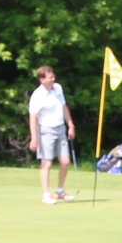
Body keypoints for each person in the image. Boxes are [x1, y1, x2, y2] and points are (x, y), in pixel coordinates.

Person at [26, 65, 77, 204]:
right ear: (42, 80)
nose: (53, 79)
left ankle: (60, 191)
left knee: (65, 162)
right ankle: (46, 194)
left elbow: (63, 107)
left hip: (60, 128)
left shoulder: (58, 88)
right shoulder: (37, 95)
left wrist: (70, 125)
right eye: (50, 77)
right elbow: (33, 117)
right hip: (45, 131)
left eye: (53, 76)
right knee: (46, 163)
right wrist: (34, 138)